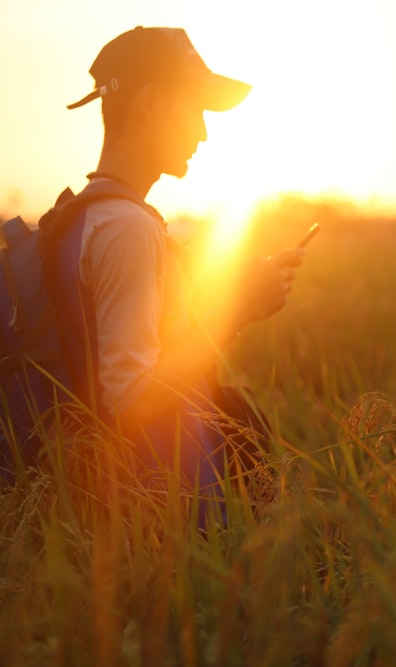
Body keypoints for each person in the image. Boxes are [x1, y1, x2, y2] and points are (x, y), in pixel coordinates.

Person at [49, 26, 303, 505]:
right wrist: (236, 312)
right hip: (157, 523)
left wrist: (232, 293)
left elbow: (127, 343)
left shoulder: (82, 217)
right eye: (195, 109)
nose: (204, 132)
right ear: (149, 104)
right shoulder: (128, 228)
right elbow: (129, 398)